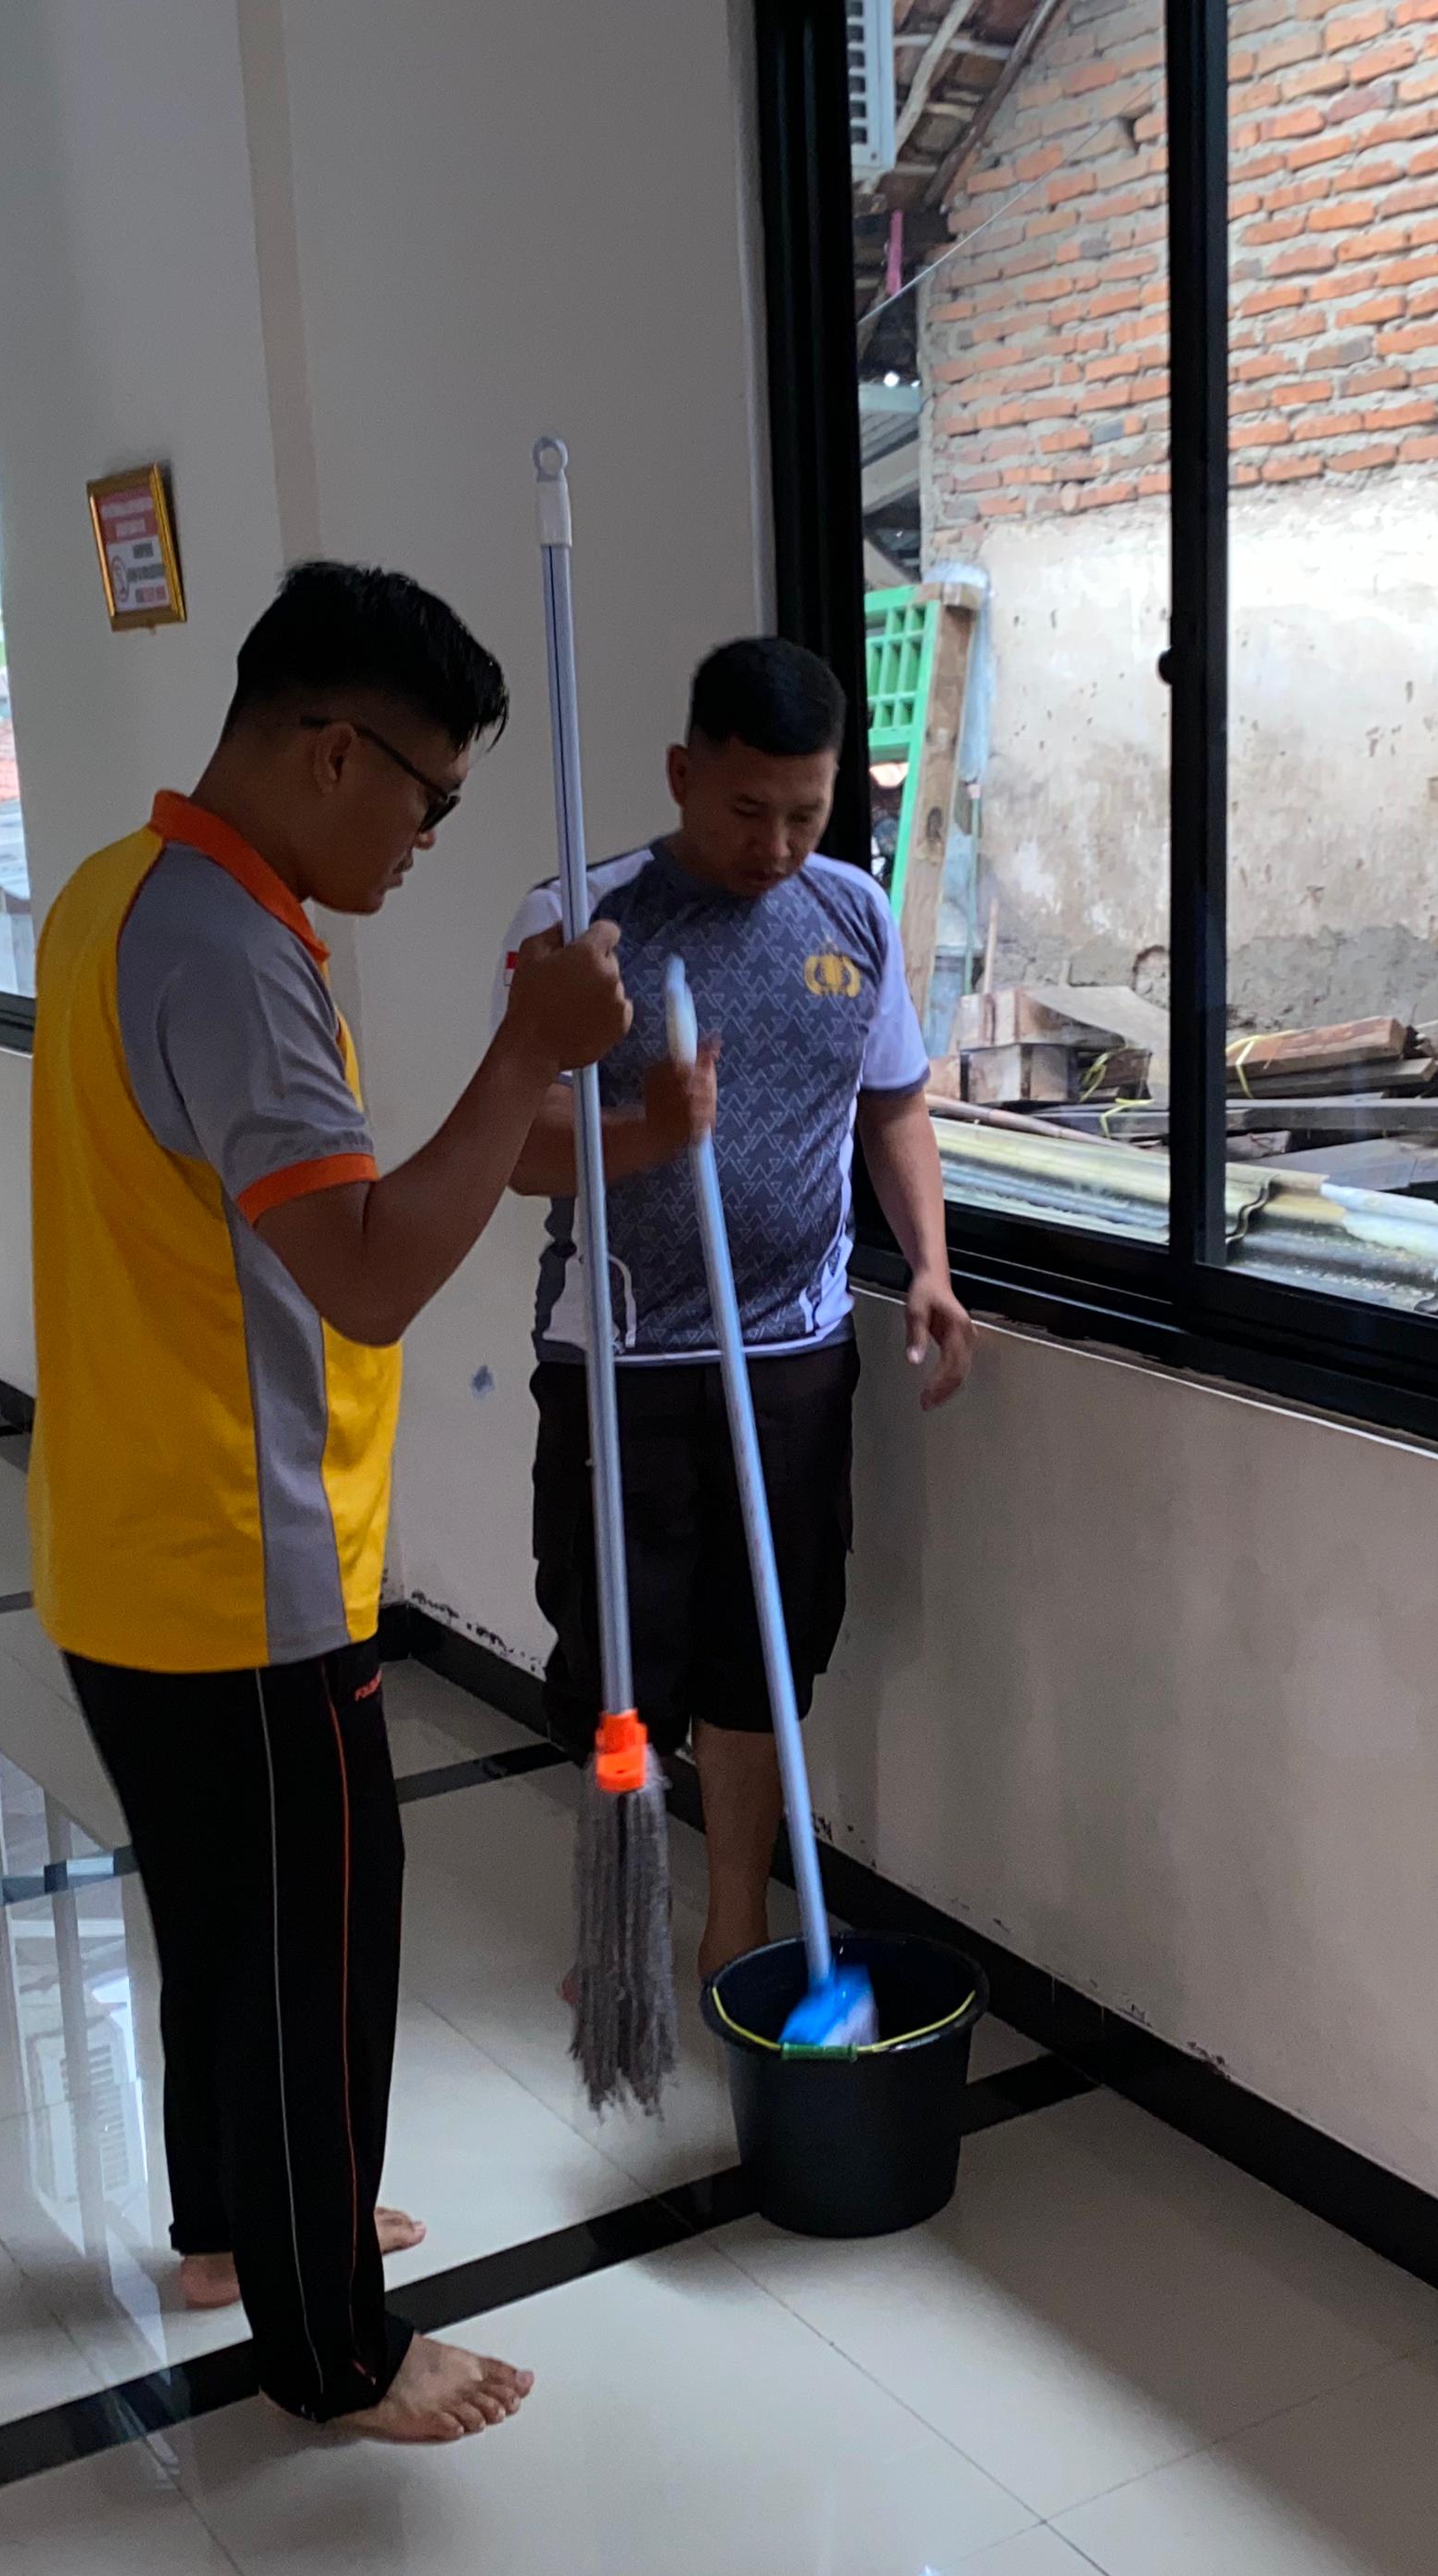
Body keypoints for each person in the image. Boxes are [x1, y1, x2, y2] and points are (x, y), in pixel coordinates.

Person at [29, 561, 635, 2445]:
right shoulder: (231, 953)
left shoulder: (125, 894)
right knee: (319, 1948)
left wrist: (558, 1103)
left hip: (126, 1542)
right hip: (240, 1566)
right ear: (329, 750)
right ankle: (334, 2348)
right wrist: (527, 1051)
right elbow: (367, 1274)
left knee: (228, 1929)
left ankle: (240, 2228)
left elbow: (303, 1204)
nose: (428, 840)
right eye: (427, 798)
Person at [505, 634, 976, 1981]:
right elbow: (518, 1148)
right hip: (622, 1359)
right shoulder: (580, 926)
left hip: (794, 1355)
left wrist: (929, 1263)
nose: (776, 845)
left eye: (806, 814)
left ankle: (735, 1930)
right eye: (745, 809)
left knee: (761, 1653)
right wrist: (652, 1131)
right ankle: (618, 1924)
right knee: (621, 1663)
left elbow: (894, 1105)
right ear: (681, 774)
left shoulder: (854, 916)